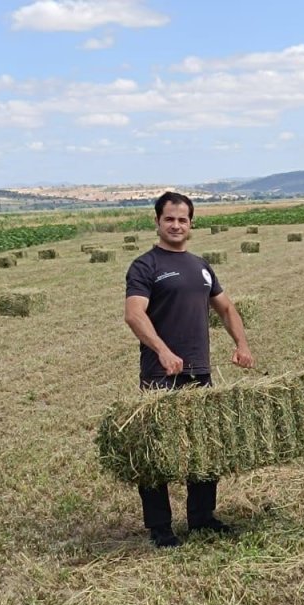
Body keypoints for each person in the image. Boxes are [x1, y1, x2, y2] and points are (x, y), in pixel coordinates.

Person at [123, 191, 255, 548]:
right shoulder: (145, 266)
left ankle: (201, 517)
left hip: (200, 371)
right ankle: (160, 528)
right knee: (157, 451)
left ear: (191, 224)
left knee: (206, 445)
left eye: (183, 219)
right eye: (169, 219)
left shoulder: (201, 266)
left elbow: (226, 308)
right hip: (160, 374)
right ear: (157, 222)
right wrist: (163, 351)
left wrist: (241, 344)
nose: (176, 225)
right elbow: (134, 314)